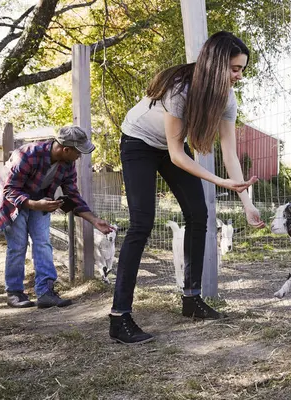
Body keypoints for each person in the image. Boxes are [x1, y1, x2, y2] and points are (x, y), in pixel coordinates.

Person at [110, 31, 265, 345]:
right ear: (215, 64)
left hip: (171, 148)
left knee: (199, 214)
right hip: (139, 142)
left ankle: (191, 300)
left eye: (242, 70)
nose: (239, 76)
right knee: (142, 223)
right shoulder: (180, 88)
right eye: (234, 68)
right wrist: (221, 182)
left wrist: (247, 203)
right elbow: (177, 153)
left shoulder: (227, 98)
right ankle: (119, 317)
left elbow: (230, 152)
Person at [0, 126, 113, 309]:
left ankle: (45, 292)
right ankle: (14, 292)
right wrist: (33, 204)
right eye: (78, 152)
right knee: (18, 245)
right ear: (66, 149)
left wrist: (94, 220)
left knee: (43, 242)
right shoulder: (27, 154)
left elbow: (72, 196)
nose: (80, 156)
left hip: (39, 199)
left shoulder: (67, 164)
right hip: (11, 200)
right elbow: (10, 190)